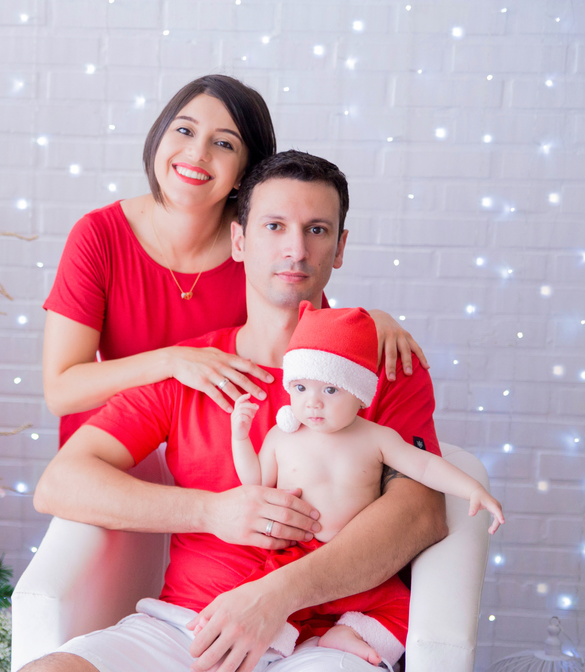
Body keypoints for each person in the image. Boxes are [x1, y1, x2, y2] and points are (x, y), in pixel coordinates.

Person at [0, 151, 448, 672]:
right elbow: (61, 483)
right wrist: (211, 512)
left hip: (328, 646)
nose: (295, 247)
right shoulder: (196, 368)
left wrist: (277, 598)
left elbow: (420, 514)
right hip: (188, 633)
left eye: (317, 229)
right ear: (238, 238)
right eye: (273, 227)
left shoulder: (387, 366)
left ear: (341, 247)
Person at [42, 75, 427, 450]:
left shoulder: (263, 243)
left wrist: (373, 321)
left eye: (224, 143)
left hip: (214, 450)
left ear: (245, 173)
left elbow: (311, 345)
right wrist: (173, 362)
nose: (197, 153)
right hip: (111, 444)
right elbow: (60, 391)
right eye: (184, 131)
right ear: (158, 137)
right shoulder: (99, 235)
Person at [221, 301, 504, 668]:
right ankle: (280, 652)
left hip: (358, 567)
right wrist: (240, 438)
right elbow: (255, 482)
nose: (313, 403)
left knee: (406, 613)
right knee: (254, 607)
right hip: (294, 560)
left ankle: (347, 633)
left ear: (359, 393)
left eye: (331, 390)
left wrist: (473, 489)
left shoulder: (376, 438)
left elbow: (424, 466)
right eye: (302, 387)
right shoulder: (282, 437)